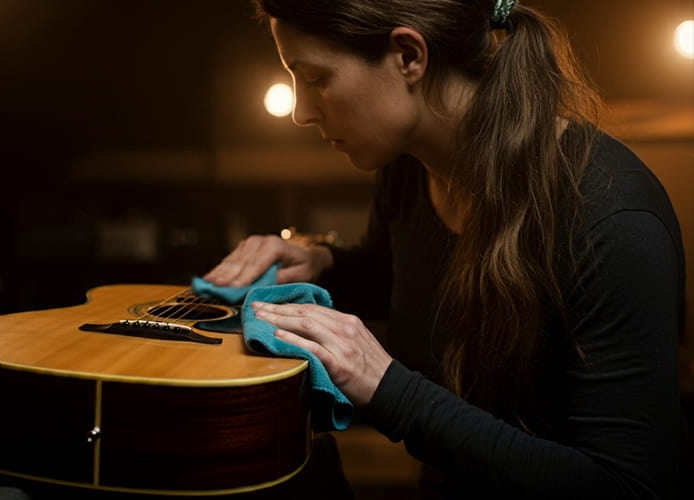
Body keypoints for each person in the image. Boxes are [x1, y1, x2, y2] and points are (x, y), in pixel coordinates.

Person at [204, 0, 686, 497]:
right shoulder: (406, 165)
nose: (301, 111)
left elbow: (629, 488)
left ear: (409, 56)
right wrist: (325, 266)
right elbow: (410, 278)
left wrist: (391, 390)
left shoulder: (613, 221)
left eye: (315, 78)